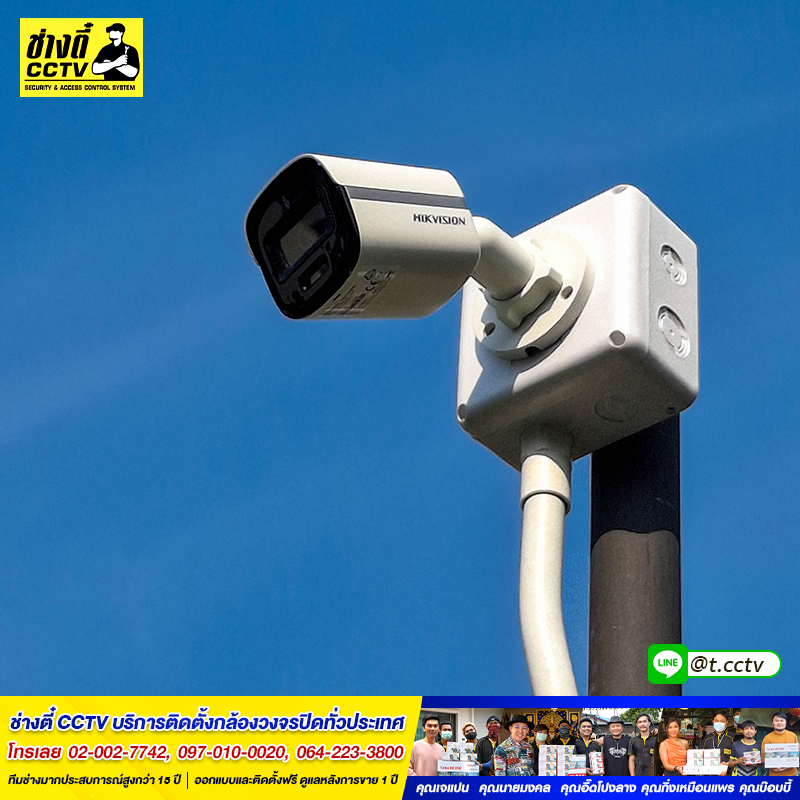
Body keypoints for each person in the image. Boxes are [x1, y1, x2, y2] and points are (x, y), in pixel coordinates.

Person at [761, 712, 799, 777]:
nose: (779, 723)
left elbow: (797, 750)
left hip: (792, 773)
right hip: (775, 775)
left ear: (786, 722)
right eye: (776, 721)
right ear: (772, 723)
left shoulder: (793, 735)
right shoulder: (767, 738)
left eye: (781, 720)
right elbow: (764, 757)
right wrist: (772, 768)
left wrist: (798, 750)